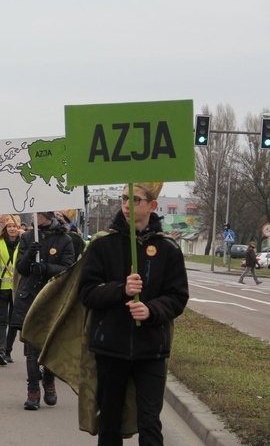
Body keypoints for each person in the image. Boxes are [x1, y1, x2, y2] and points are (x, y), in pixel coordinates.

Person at [79, 182, 189, 445]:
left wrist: (151, 310)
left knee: (150, 421)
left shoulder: (168, 249)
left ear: (152, 205)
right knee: (110, 421)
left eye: (135, 200)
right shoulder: (102, 245)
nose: (127, 205)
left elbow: (177, 297)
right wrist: (121, 290)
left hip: (151, 349)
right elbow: (87, 293)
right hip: (111, 347)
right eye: (124, 198)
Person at [11, 211, 75, 410]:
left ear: (46, 216)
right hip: (29, 297)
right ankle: (33, 391)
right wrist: (30, 254)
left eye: (37, 214)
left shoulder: (64, 239)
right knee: (31, 347)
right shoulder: (28, 237)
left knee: (49, 346)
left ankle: (48, 380)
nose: (33, 216)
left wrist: (46, 268)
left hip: (53, 300)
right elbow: (21, 268)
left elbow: (68, 268)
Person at [0, 218, 22, 365]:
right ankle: (1, 351)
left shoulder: (24, 244)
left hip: (17, 288)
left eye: (14, 226)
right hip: (1, 288)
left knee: (14, 322)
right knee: (2, 321)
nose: (12, 229)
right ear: (5, 228)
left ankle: (8, 351)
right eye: (9, 226)